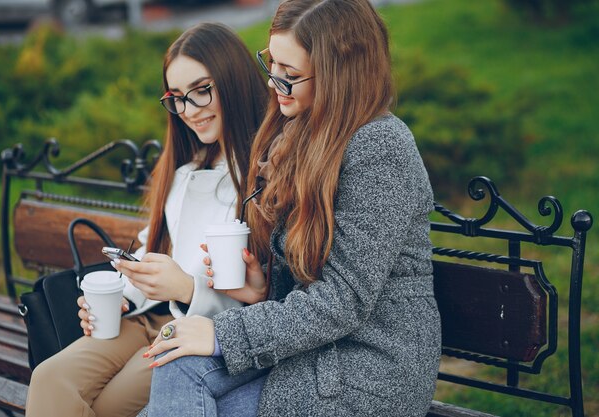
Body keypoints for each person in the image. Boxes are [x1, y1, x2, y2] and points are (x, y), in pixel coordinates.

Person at [133, 0, 442, 416]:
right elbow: (304, 283)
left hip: (365, 369)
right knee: (175, 361)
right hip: (309, 351)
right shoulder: (299, 135)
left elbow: (341, 300)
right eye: (272, 65)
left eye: (290, 75)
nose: (274, 83)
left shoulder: (381, 149)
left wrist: (223, 333)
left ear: (339, 75)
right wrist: (263, 291)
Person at [25, 22, 268, 417]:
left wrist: (187, 288)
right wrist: (120, 295)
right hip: (141, 316)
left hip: (197, 329)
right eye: (178, 98)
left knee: (111, 404)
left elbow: (266, 298)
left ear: (235, 80)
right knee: (50, 378)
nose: (190, 110)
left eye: (202, 90)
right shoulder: (184, 169)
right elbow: (151, 247)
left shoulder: (266, 178)